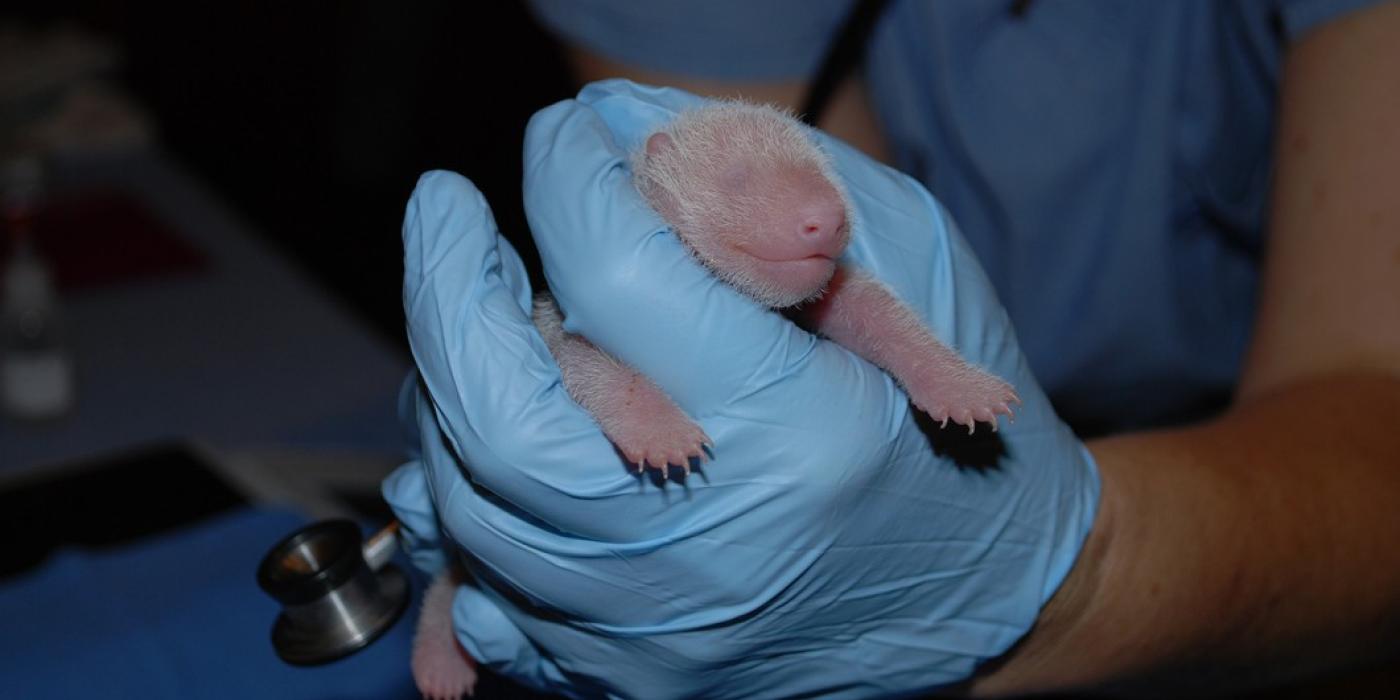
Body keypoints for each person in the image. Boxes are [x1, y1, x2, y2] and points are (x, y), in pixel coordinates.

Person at [384, 1, 1400, 696]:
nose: (823, 217)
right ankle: (440, 615)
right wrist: (630, 407)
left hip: (1221, 451)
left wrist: (1073, 566)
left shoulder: (801, 236)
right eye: (741, 191)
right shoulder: (635, 235)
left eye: (815, 184)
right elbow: (584, 366)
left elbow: (866, 313)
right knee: (480, 535)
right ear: (657, 178)